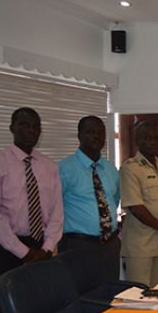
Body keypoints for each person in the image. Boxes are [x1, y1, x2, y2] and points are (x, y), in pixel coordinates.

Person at [0, 107, 63, 313]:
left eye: (34, 126)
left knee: (39, 307)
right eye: (23, 125)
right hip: (6, 248)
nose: (29, 131)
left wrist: (46, 248)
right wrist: (23, 251)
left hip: (42, 248)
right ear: (12, 127)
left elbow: (57, 213)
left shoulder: (48, 166)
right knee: (4, 312)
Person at [58, 116, 121, 281]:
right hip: (79, 245)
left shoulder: (110, 169)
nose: (96, 136)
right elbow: (53, 208)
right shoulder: (64, 169)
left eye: (100, 132)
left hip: (110, 244)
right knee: (84, 296)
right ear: (79, 135)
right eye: (90, 132)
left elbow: (113, 201)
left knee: (111, 293)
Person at [120, 121, 158, 287]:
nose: (153, 142)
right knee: (140, 294)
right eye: (148, 138)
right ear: (138, 141)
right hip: (141, 245)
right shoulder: (130, 168)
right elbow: (135, 206)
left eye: (156, 138)